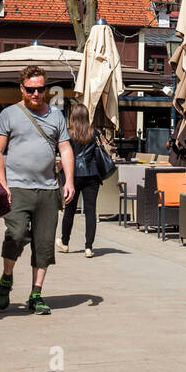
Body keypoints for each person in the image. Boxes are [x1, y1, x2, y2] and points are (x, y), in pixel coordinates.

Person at [0, 67, 75, 316]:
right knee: (15, 235)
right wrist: (2, 184)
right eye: (31, 89)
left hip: (48, 189)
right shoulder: (9, 114)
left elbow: (66, 149)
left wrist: (69, 180)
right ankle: (7, 278)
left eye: (40, 89)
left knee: (44, 244)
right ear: (22, 89)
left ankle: (36, 294)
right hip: (17, 187)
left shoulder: (56, 116)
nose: (36, 93)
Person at [58, 104, 108, 258]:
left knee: (70, 210)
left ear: (72, 116)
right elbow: (103, 148)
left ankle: (65, 242)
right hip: (92, 174)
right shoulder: (94, 133)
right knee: (91, 211)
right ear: (87, 116)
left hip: (73, 175)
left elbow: (61, 151)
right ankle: (88, 247)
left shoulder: (68, 133)